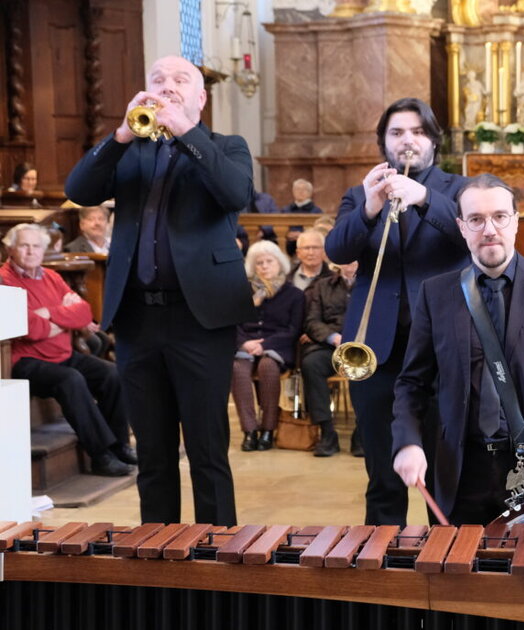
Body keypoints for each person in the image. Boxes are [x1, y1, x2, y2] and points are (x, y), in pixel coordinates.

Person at [65, 55, 256, 526]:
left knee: (207, 451)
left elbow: (234, 194)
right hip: (137, 319)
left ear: (200, 97)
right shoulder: (131, 148)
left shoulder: (226, 145)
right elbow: (79, 187)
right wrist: (121, 136)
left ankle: (215, 558)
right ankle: (158, 556)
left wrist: (185, 132)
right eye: (157, 79)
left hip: (201, 319)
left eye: (179, 80)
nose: (167, 87)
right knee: (152, 453)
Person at [392, 175, 524, 524]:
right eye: (476, 220)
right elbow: (411, 384)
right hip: (460, 471)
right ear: (462, 227)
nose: (489, 229)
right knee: (459, 574)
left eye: (499, 216)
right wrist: (407, 442)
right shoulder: (435, 293)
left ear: (516, 221)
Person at [325, 97, 470, 525]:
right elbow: (337, 248)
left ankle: (446, 568)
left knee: (444, 474)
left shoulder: (458, 190)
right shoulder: (359, 195)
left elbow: (470, 235)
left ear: (433, 141)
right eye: (396, 132)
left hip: (444, 349)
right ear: (383, 143)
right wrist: (371, 207)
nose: (407, 140)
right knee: (383, 476)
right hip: (377, 352)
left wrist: (424, 197)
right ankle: (383, 573)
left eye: (417, 131)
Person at [0, 224, 134, 476]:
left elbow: (84, 312)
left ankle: (120, 445)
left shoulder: (52, 276)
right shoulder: (4, 281)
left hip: (62, 354)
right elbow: (30, 329)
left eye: (36, 246)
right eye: (24, 245)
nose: (31, 251)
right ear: (10, 248)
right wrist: (63, 320)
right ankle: (101, 456)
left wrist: (49, 314)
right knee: (70, 380)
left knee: (113, 374)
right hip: (25, 360)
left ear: (44, 250)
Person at [232, 241, 305, 452]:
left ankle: (268, 429)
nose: (264, 266)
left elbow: (293, 329)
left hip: (277, 347)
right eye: (259, 263)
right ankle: (249, 431)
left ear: (279, 263)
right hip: (245, 346)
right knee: (237, 369)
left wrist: (265, 345)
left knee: (268, 367)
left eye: (269, 261)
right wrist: (244, 343)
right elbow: (233, 323)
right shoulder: (242, 293)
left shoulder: (294, 294)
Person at [301, 260, 360, 457]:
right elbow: (312, 321)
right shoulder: (322, 285)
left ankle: (362, 434)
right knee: (311, 364)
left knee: (371, 371)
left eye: (356, 259)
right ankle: (327, 433)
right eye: (348, 259)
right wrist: (334, 338)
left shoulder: (373, 284)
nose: (351, 263)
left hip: (363, 346)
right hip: (331, 345)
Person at [283, 178, 322, 258]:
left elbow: (319, 229)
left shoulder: (316, 211)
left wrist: (302, 234)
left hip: (308, 242)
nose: (300, 192)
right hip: (288, 243)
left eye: (304, 189)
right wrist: (287, 233)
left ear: (310, 193)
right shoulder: (286, 209)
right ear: (293, 191)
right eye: (297, 189)